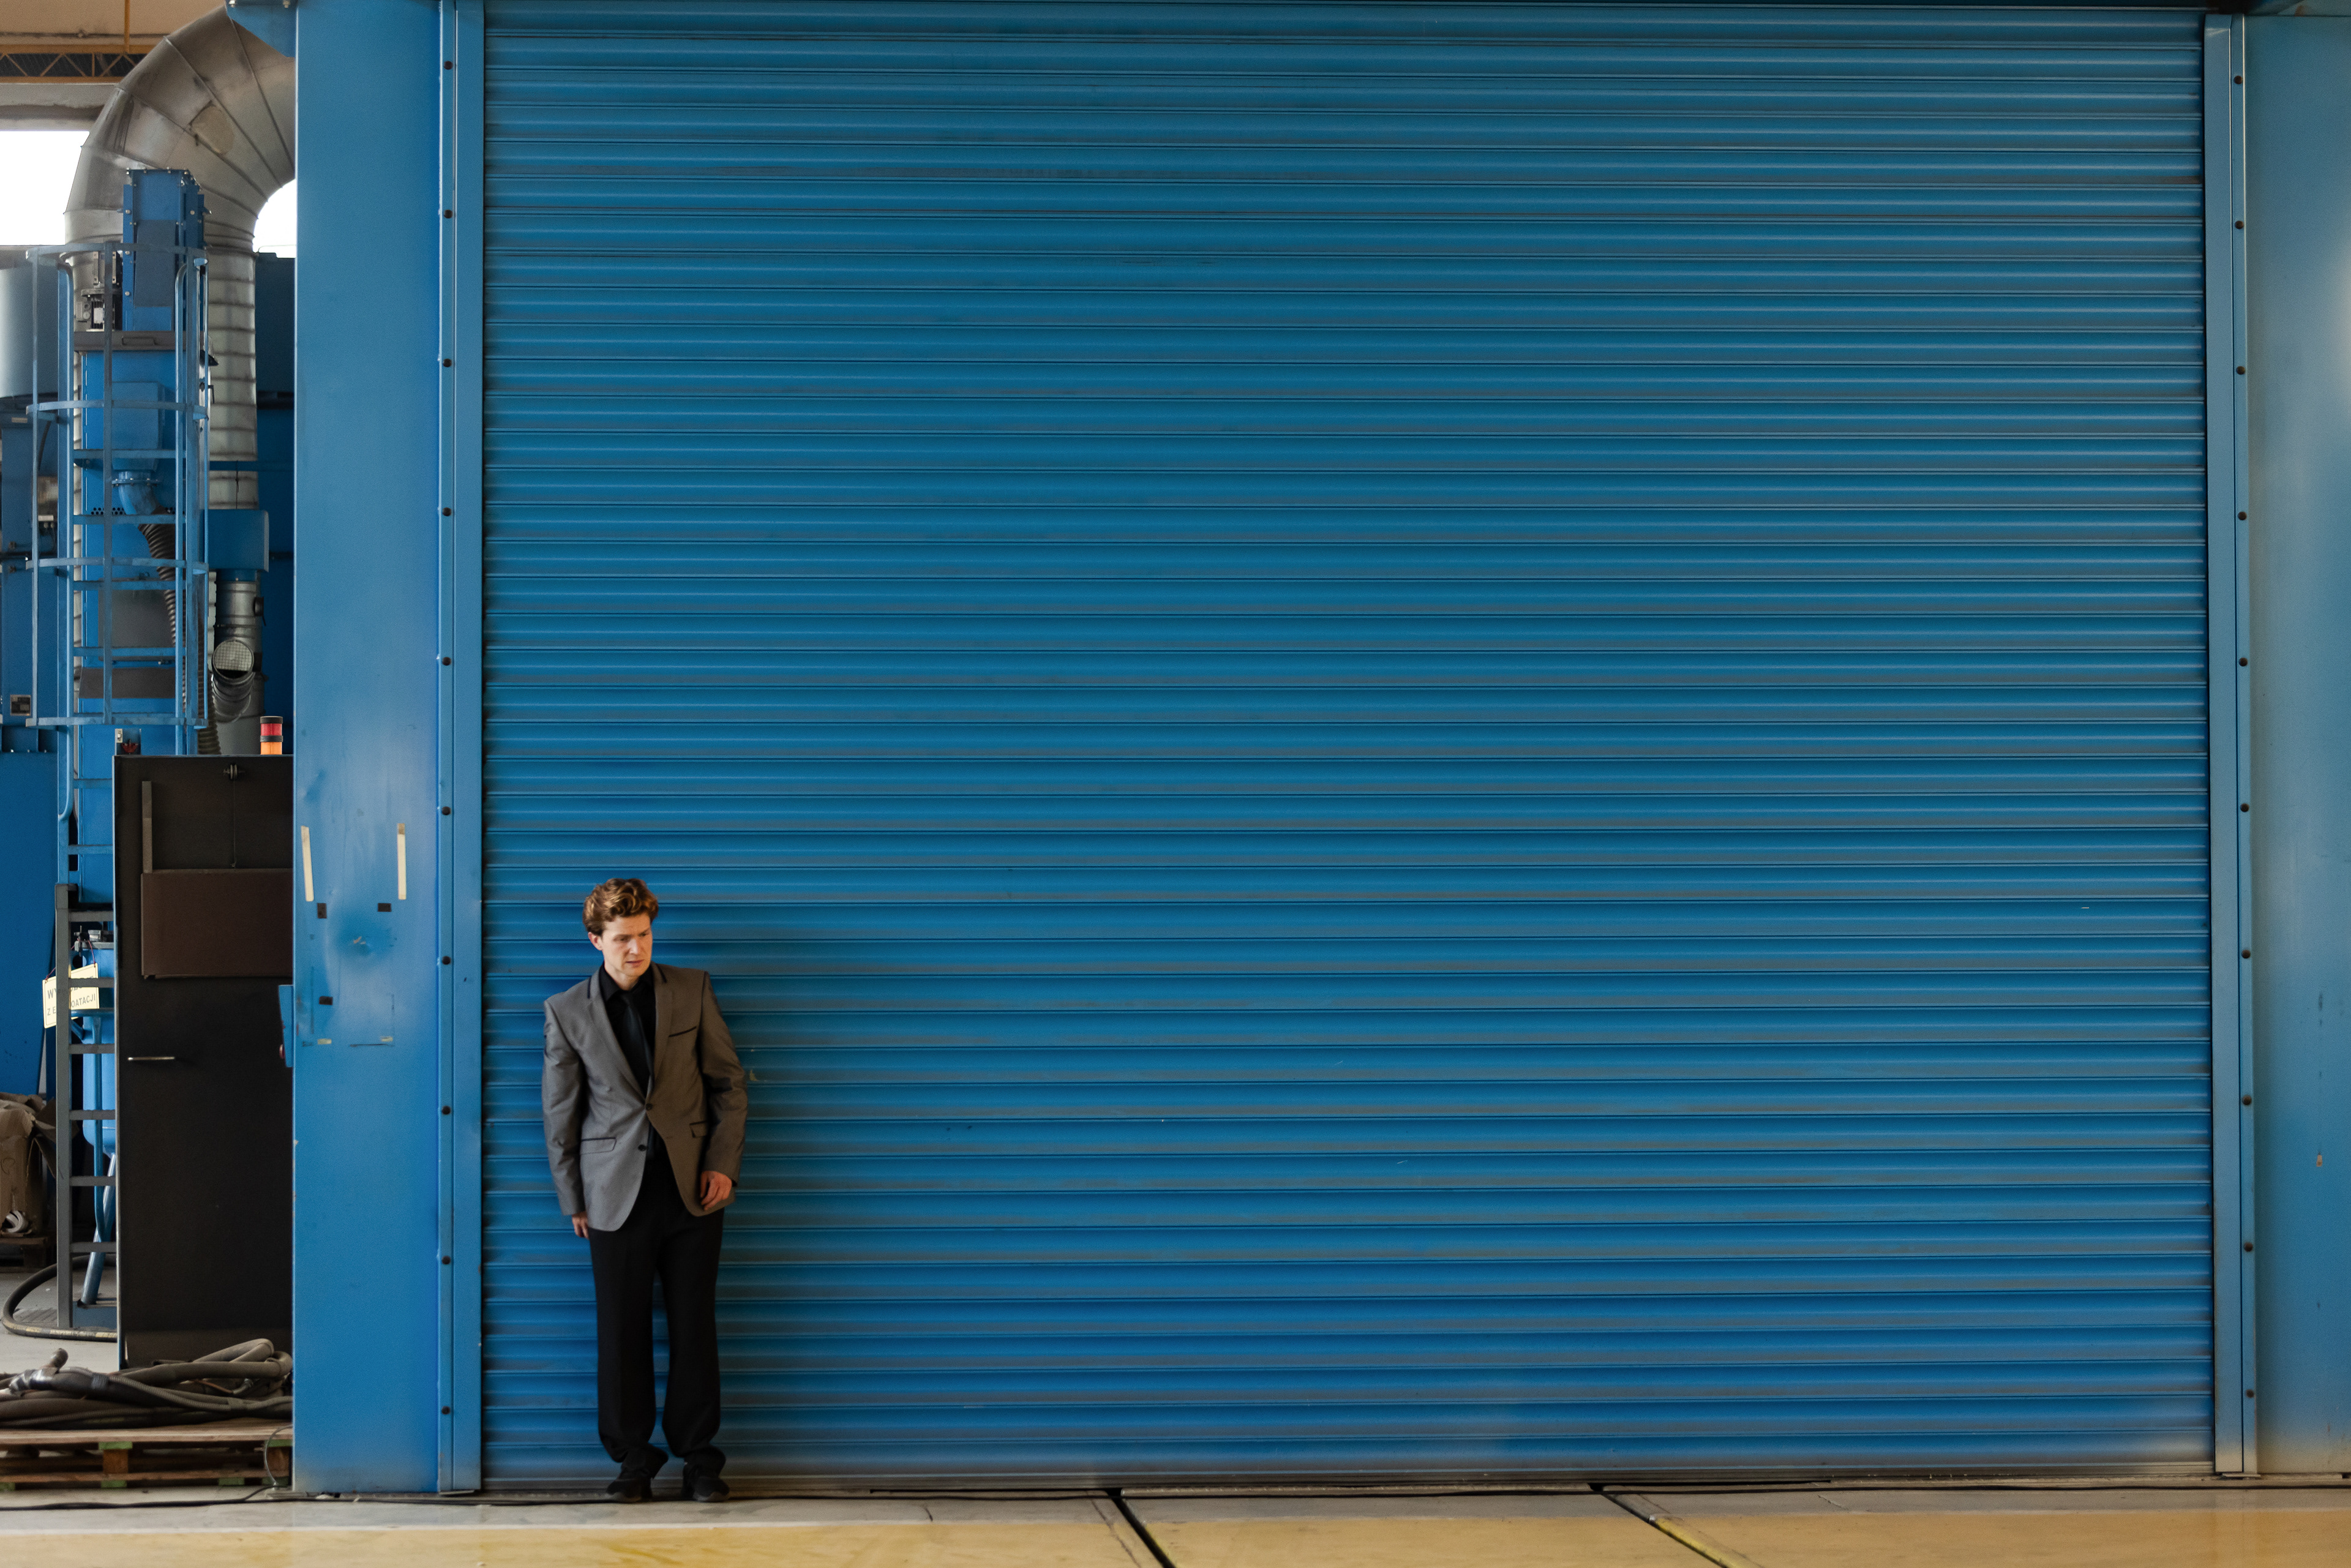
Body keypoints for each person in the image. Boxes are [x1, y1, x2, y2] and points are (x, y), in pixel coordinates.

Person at [541, 877, 748, 1502]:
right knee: (621, 1330)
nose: (637, 949)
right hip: (611, 1195)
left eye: (645, 935)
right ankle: (633, 1459)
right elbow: (560, 1112)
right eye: (624, 939)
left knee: (694, 1325)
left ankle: (699, 1458)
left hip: (692, 1190)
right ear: (596, 940)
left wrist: (723, 1164)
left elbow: (728, 1085)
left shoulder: (692, 990)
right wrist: (572, 1196)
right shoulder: (567, 1010)